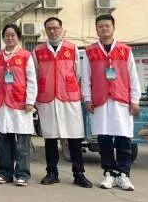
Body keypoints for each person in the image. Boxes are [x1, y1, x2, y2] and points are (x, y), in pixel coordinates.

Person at [81, 14, 141, 191]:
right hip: (100, 101)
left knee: (123, 138)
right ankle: (109, 173)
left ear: (113, 27)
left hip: (121, 100)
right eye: (100, 26)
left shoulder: (125, 50)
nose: (104, 29)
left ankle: (124, 174)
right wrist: (87, 98)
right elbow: (86, 77)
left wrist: (135, 99)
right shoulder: (90, 51)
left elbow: (133, 76)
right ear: (96, 29)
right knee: (104, 138)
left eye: (107, 25)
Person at [33, 17, 92, 188]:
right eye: (49, 28)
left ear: (61, 29)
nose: (53, 31)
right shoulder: (38, 51)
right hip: (47, 98)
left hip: (69, 98)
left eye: (55, 28)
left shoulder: (71, 48)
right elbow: (35, 75)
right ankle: (52, 173)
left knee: (74, 138)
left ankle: (79, 174)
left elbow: (78, 73)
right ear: (45, 31)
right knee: (50, 138)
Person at [0, 24, 37, 186]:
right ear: (3, 37)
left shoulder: (25, 56)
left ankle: (22, 174)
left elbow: (32, 79)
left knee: (22, 140)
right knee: (4, 139)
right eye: (7, 35)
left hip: (20, 102)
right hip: (2, 102)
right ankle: (5, 173)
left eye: (13, 35)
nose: (10, 38)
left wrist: (30, 101)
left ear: (18, 37)